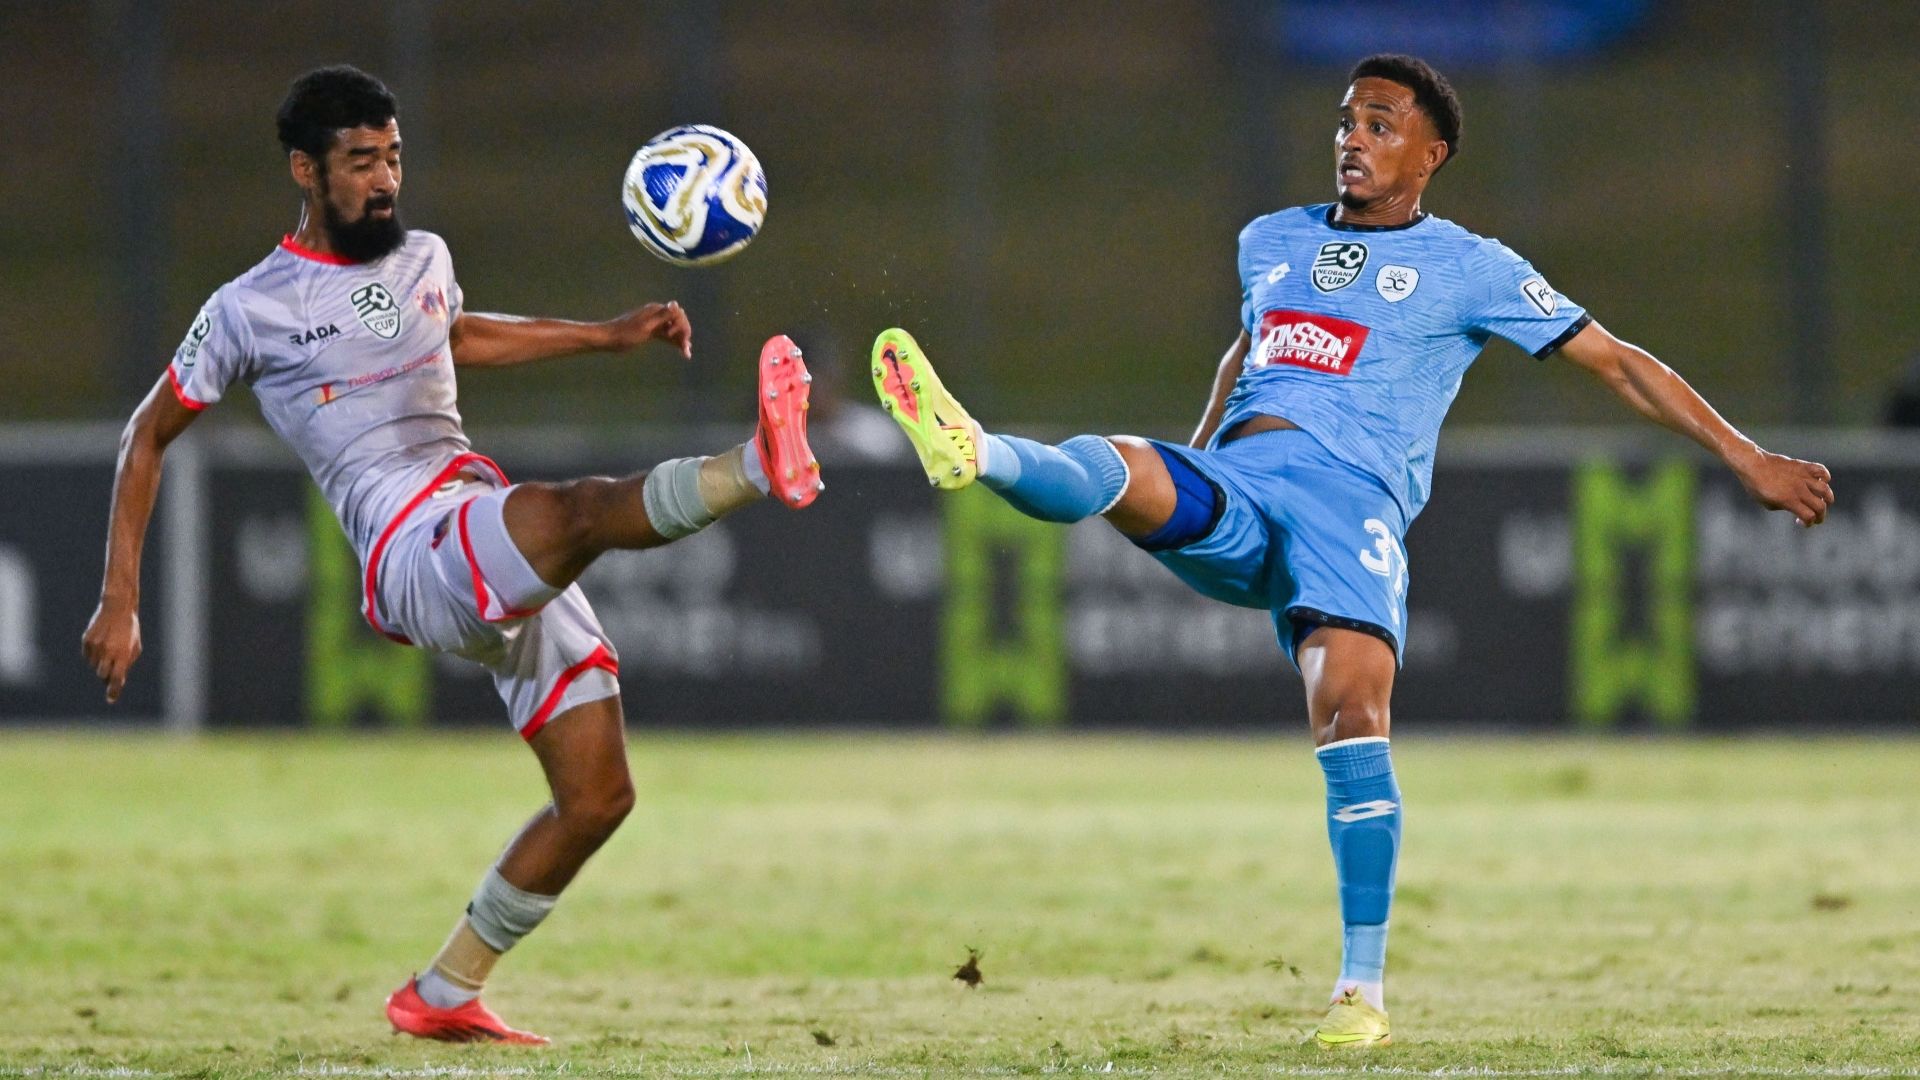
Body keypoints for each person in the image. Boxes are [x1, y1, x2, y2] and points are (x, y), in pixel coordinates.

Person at [869, 53, 1834, 1049]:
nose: (1352, 141)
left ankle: (1358, 997)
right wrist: (1201, 451)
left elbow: (1620, 366)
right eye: (1345, 122)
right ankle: (973, 450)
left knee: (1351, 710)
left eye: (1379, 125)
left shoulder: (1474, 267)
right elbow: (1248, 346)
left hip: (1351, 504)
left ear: (1431, 154)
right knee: (1121, 462)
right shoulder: (1270, 240)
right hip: (1244, 478)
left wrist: (1746, 454)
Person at [80, 65, 823, 1044]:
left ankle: (442, 992)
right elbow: (148, 433)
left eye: (393, 156)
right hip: (407, 546)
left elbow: (455, 333)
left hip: (467, 509)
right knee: (577, 512)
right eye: (358, 162)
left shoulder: (420, 255)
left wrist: (603, 337)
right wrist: (120, 599)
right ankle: (760, 465)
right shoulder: (249, 308)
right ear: (305, 170)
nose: (384, 180)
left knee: (598, 797)